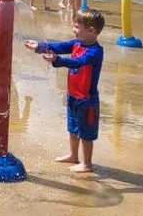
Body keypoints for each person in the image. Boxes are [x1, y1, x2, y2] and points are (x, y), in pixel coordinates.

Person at [25, 9, 105, 174]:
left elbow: (78, 62)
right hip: (73, 95)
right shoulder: (77, 44)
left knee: (86, 133)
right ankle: (73, 155)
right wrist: (40, 46)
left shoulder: (95, 52)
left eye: (76, 27)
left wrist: (57, 60)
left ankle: (87, 164)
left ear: (91, 31)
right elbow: (60, 46)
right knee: (73, 127)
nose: (73, 30)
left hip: (87, 100)